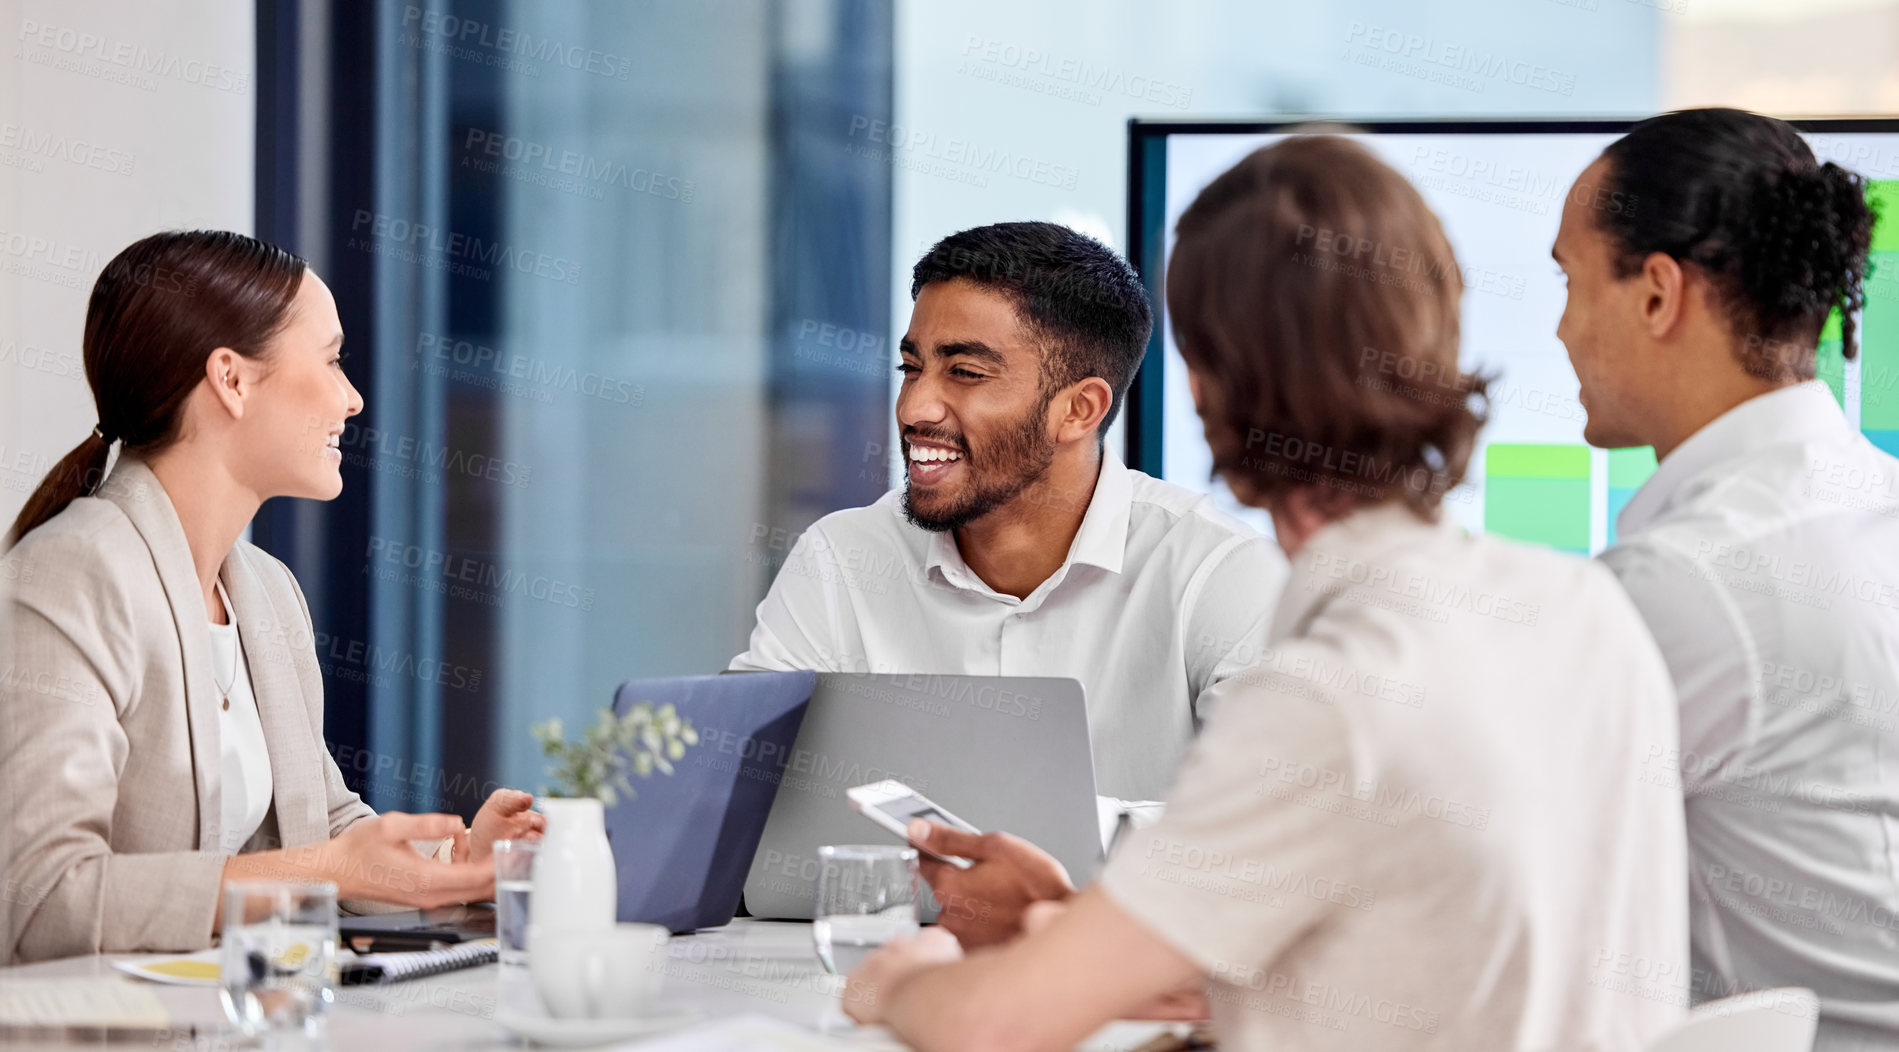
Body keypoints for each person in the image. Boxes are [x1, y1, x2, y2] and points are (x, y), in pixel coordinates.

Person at [844, 135, 1689, 1051]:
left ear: (1208, 386)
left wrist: (906, 981)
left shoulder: (1328, 692)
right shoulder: (1582, 608)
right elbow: (1413, 951)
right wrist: (1084, 924)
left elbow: (994, 1026)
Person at [0, 230, 544, 965]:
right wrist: (321, 873)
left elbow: (318, 827)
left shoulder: (265, 591)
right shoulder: (70, 577)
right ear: (232, 380)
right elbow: (39, 899)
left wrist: (454, 863)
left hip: (246, 1020)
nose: (351, 398)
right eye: (331, 360)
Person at [1554, 108, 1899, 1048]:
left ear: (1658, 294)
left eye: (1570, 281)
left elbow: (1493, 866)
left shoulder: (1684, 580)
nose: (1560, 329)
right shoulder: (1873, 503)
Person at [730, 222, 1283, 803]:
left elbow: (1269, 833)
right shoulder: (843, 556)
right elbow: (735, 788)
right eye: (911, 368)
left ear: (1078, 409)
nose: (914, 407)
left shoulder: (1222, 573)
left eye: (965, 373)